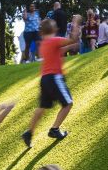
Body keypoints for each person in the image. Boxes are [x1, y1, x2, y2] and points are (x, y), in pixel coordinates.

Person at [21, 16, 82, 148]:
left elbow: (58, 51)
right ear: (54, 29)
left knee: (42, 107)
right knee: (68, 104)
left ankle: (29, 132)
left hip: (45, 79)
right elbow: (72, 39)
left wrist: (70, 46)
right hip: (55, 78)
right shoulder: (54, 40)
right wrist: (76, 23)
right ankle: (54, 129)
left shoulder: (44, 45)